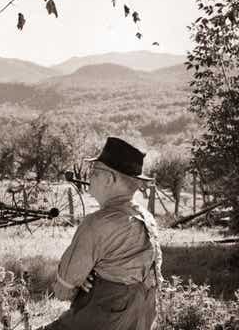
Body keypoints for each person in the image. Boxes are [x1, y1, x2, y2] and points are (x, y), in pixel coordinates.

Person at [38, 137, 163, 330]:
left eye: (94, 172)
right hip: (140, 321)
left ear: (109, 179)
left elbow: (63, 290)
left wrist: (84, 281)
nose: (89, 178)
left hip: (103, 319)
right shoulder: (147, 218)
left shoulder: (97, 223)